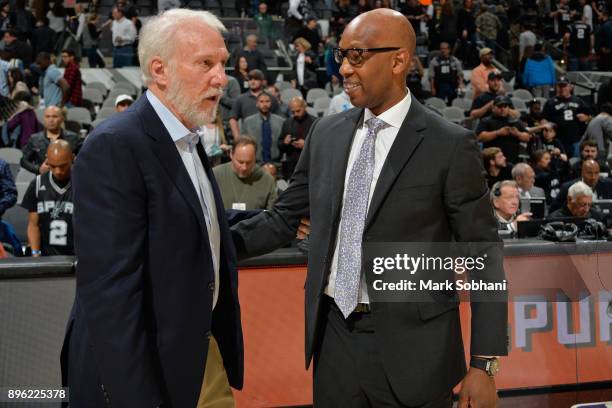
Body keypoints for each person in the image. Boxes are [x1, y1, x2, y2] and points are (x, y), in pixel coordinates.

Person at [232, 9, 507, 408]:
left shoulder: (449, 144)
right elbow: (281, 219)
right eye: (342, 55)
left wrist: (484, 364)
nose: (344, 67)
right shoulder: (325, 133)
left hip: (417, 353)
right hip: (333, 338)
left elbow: (484, 254)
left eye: (356, 56)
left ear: (398, 60)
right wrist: (212, 248)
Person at [62, 9, 243, 407]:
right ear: (159, 70)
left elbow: (196, 226)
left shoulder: (188, 139)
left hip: (197, 357)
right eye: (206, 64)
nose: (221, 77)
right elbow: (111, 298)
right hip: (142, 373)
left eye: (223, 64)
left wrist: (282, 222)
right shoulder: (116, 146)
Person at [21, 140, 74, 256]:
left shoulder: (84, 183)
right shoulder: (37, 184)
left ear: (72, 158)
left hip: (77, 255)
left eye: (63, 166)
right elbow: (33, 225)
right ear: (47, 159)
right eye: (53, 166)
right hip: (47, 255)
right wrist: (35, 253)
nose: (58, 171)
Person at [213, 137, 277, 210]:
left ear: (255, 158)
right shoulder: (216, 175)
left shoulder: (267, 180)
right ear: (231, 154)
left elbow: (273, 215)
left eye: (249, 162)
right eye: (240, 162)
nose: (244, 167)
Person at [21, 106, 81, 174]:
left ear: (62, 119)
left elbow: (83, 159)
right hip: (43, 179)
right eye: (47, 117)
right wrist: (38, 169)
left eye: (54, 116)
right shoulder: (35, 139)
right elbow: (24, 161)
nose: (51, 120)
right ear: (44, 119)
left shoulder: (72, 138)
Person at [543, 76, 592, 157]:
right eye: (560, 86)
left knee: (575, 161)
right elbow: (544, 119)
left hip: (575, 140)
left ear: (570, 87)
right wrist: (546, 127)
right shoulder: (550, 102)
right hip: (557, 140)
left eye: (564, 86)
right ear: (556, 87)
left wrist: (587, 118)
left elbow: (590, 116)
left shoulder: (578, 101)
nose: (562, 88)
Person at [476, 95, 530, 164]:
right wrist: (497, 133)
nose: (503, 109)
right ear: (493, 108)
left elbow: (527, 137)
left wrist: (518, 134)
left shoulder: (515, 121)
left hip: (512, 160)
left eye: (505, 106)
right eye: (499, 107)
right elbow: (479, 137)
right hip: (492, 162)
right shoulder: (486, 121)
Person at [241, 91, 284, 163]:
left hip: (276, 163)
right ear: (257, 104)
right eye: (261, 101)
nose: (265, 104)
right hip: (255, 163)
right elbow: (243, 143)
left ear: (271, 103)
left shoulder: (281, 121)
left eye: (267, 101)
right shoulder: (248, 122)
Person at [279, 97, 315, 179]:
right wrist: (285, 143)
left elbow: (322, 145)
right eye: (293, 112)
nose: (295, 114)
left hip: (310, 163)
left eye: (298, 111)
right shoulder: (287, 123)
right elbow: (280, 144)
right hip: (292, 164)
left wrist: (306, 145)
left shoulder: (315, 122)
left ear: (305, 107)